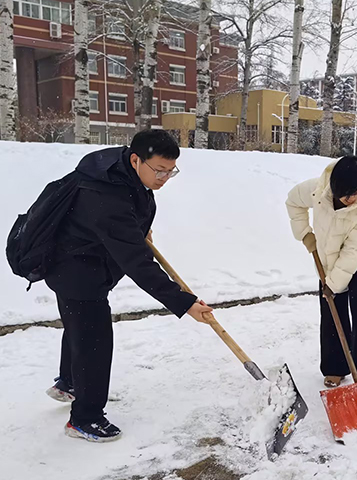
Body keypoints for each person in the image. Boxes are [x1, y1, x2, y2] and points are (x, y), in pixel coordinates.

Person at [43, 130, 213, 442]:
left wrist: (137, 231)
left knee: (79, 327)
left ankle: (69, 383)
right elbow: (138, 264)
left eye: (170, 171)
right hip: (76, 270)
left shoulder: (119, 169)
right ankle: (85, 418)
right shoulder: (107, 196)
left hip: (80, 260)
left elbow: (129, 220)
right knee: (95, 339)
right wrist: (184, 302)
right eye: (159, 170)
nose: (164, 177)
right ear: (136, 159)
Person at [286, 156, 357, 388]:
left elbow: (354, 251)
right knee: (331, 307)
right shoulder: (317, 190)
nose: (351, 199)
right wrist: (305, 233)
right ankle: (335, 366)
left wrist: (333, 284)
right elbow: (293, 201)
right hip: (327, 255)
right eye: (346, 194)